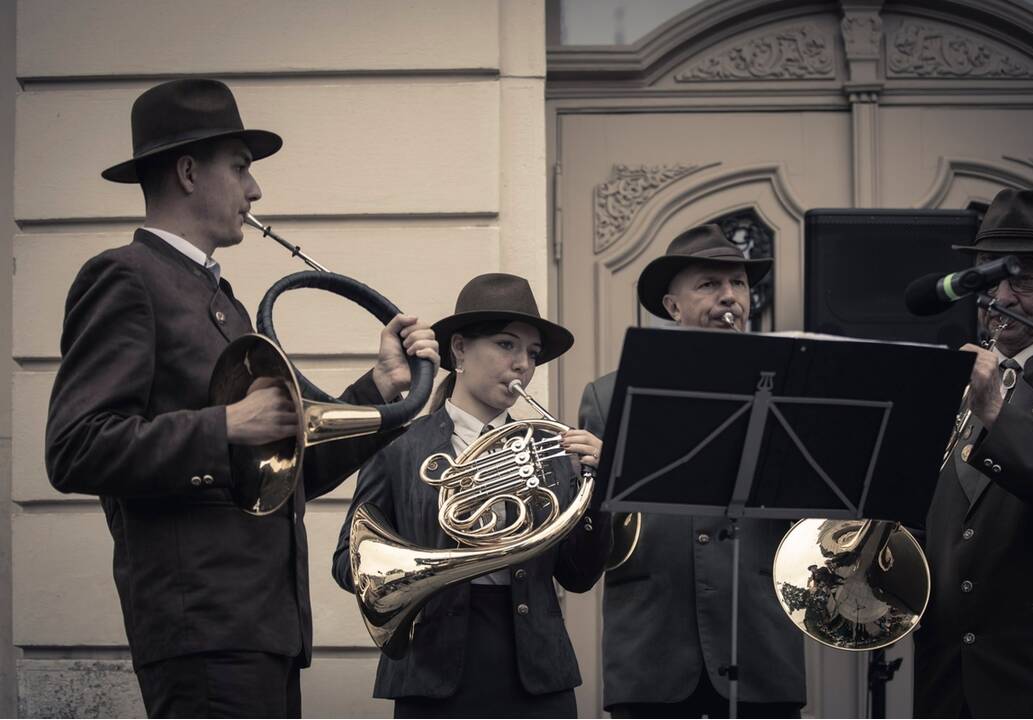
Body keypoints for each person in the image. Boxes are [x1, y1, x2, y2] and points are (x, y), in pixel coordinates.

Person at [44, 78, 439, 718]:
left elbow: (289, 469)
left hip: (261, 629)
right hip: (201, 627)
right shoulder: (125, 276)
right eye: (242, 168)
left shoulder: (219, 300)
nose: (255, 191)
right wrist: (225, 424)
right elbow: (74, 448)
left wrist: (382, 391)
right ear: (190, 171)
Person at [332, 273, 611, 718]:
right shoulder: (398, 447)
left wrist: (598, 490)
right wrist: (423, 566)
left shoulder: (553, 449)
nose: (523, 363)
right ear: (459, 349)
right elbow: (349, 564)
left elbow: (579, 576)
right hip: (434, 671)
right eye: (506, 345)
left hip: (537, 672)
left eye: (532, 353)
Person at [578, 224, 806, 718]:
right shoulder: (605, 396)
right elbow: (589, 536)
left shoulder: (793, 387)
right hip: (651, 648)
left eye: (739, 284)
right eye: (709, 284)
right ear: (673, 307)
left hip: (761, 643)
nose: (730, 297)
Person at [914, 188, 1033, 718]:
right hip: (945, 674)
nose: (1004, 297)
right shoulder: (945, 379)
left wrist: (993, 412)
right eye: (990, 276)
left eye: (1025, 276)